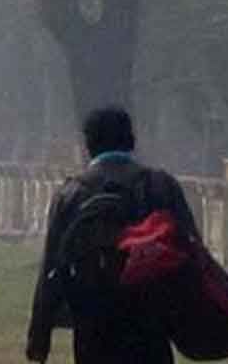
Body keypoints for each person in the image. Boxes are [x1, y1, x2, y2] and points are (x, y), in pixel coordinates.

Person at [26, 106, 200, 364]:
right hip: (150, 322)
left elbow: (52, 269)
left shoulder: (72, 194)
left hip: (92, 325)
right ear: (131, 140)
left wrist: (39, 336)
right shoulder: (160, 187)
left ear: (88, 144)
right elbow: (192, 254)